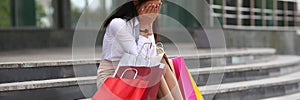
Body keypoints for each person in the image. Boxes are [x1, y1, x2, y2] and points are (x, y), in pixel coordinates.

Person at [97, 0, 163, 87]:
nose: (154, 11)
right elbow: (139, 62)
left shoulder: (144, 24)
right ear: (136, 2)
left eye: (157, 7)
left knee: (162, 67)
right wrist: (144, 27)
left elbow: (151, 59)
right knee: (158, 74)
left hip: (133, 75)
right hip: (111, 78)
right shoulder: (118, 24)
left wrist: (149, 26)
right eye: (151, 7)